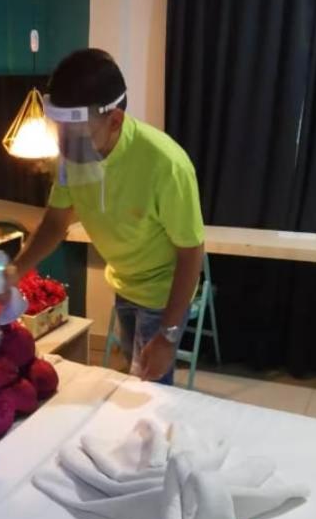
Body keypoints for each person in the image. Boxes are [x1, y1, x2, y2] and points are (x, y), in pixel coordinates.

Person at [11, 49, 205, 385]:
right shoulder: (73, 155)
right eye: (59, 129)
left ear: (114, 120)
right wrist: (14, 272)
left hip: (162, 291)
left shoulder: (166, 165)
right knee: (133, 373)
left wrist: (168, 334)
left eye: (75, 133)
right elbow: (55, 223)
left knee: (150, 387)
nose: (64, 145)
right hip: (124, 282)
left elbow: (191, 253)